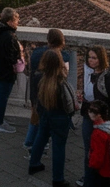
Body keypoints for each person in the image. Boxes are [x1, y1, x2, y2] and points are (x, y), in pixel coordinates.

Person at [28, 49, 77, 186]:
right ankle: (58, 179)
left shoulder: (38, 76)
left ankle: (34, 164)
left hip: (44, 113)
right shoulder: (61, 80)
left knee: (40, 138)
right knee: (59, 147)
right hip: (60, 117)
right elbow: (66, 103)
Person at [26, 29, 76, 153]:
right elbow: (64, 75)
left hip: (35, 89)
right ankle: (37, 145)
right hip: (51, 91)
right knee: (45, 120)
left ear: (48, 40)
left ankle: (29, 142)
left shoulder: (36, 52)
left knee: (36, 116)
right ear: (62, 41)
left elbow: (30, 70)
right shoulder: (64, 56)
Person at [79, 46, 110, 187]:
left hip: (103, 121)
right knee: (89, 150)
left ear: (101, 59)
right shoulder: (90, 74)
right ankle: (89, 176)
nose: (91, 61)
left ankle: (106, 178)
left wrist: (101, 118)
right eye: (89, 57)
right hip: (88, 116)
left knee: (105, 152)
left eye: (94, 58)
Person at [85, 100, 110, 187]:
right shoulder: (109, 127)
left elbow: (98, 155)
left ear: (99, 115)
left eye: (93, 111)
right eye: (89, 110)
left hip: (102, 170)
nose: (89, 112)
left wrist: (91, 164)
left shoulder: (98, 133)